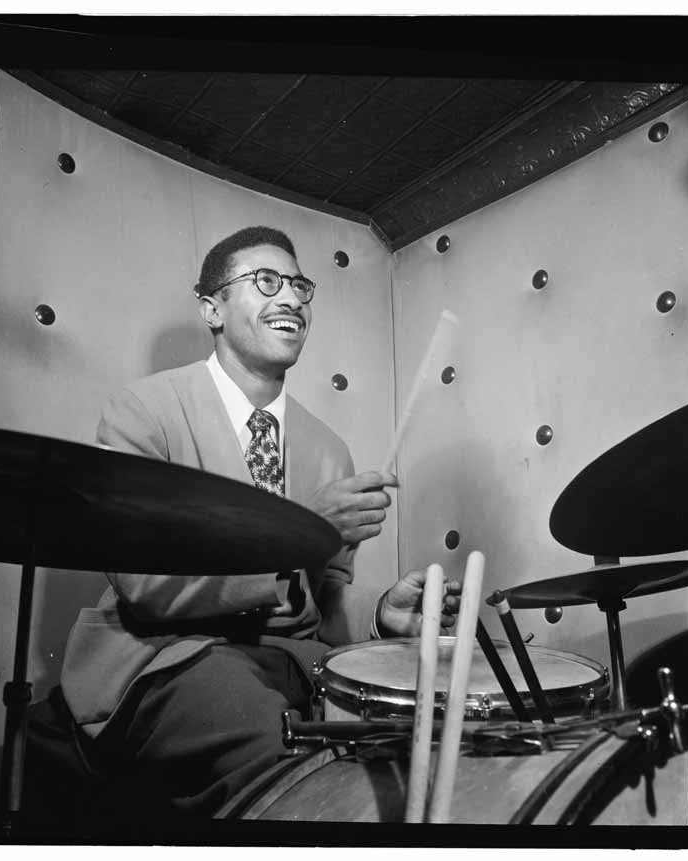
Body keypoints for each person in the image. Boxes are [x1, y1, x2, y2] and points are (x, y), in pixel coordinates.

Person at [60, 226, 460, 821]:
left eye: (299, 286)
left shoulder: (329, 448)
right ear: (212, 307)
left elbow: (319, 603)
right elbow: (145, 587)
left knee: (411, 746)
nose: (292, 299)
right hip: (166, 657)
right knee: (284, 760)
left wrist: (380, 614)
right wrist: (299, 529)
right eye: (267, 281)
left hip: (292, 664)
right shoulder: (144, 411)